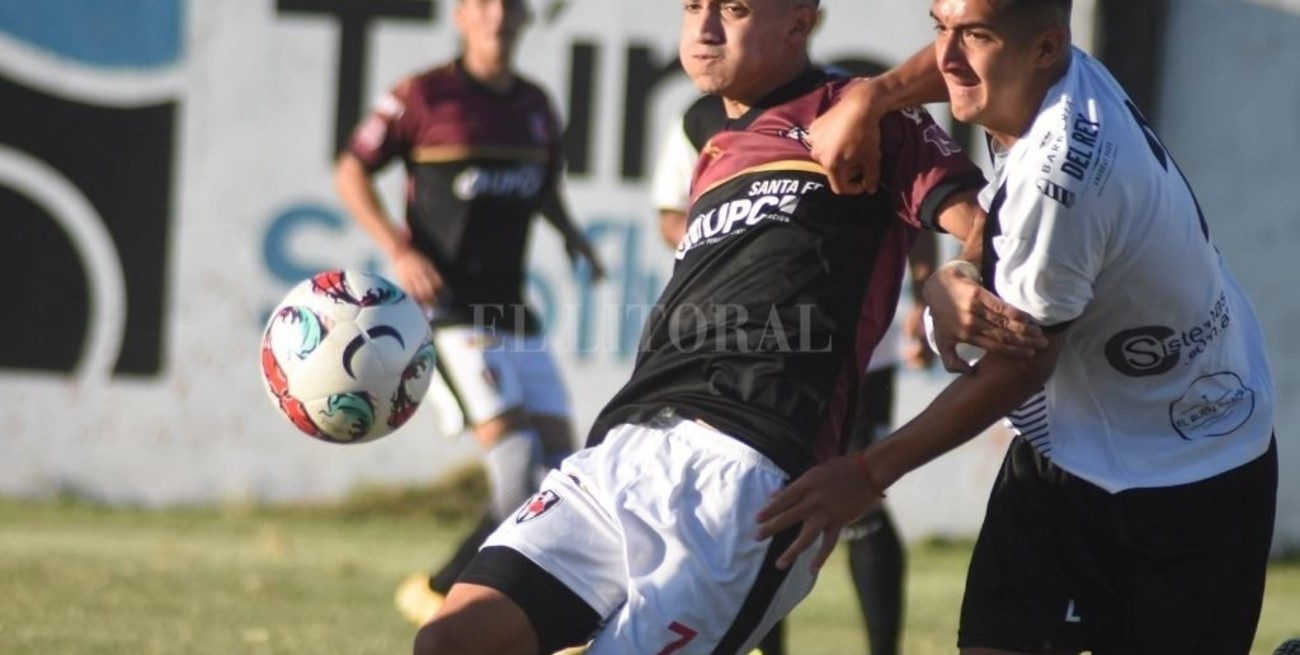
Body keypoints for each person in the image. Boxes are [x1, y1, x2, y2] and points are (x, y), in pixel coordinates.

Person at [409, 0, 1034, 652]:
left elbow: (987, 233)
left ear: (799, 19)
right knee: (452, 639)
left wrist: (949, 276)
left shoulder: (864, 114)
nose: (703, 28)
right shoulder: (711, 138)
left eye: (732, 9)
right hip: (621, 450)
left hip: (748, 480)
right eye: (692, 6)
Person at [756, 1, 1279, 654]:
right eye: (939, 27)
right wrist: (874, 97)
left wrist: (865, 474)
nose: (947, 58)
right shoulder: (1041, 76)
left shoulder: (1061, 173)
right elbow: (1004, 227)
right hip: (1065, 449)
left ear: (1044, 47)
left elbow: (1021, 364)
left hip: (1190, 470)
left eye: (974, 35)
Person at [333, 0, 605, 628]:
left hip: (514, 312)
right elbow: (351, 170)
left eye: (510, 5)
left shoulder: (536, 105)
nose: (497, 15)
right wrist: (399, 249)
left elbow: (543, 187)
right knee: (515, 470)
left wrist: (572, 234)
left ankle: (534, 614)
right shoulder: (422, 97)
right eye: (483, 3)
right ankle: (441, 592)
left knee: (567, 477)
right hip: (450, 315)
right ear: (459, 15)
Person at [650, 92, 934, 655]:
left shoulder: (846, 108)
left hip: (845, 344)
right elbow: (669, 218)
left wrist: (925, 289)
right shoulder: (699, 120)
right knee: (755, 508)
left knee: (861, 500)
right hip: (747, 347)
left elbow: (911, 207)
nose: (712, 29)